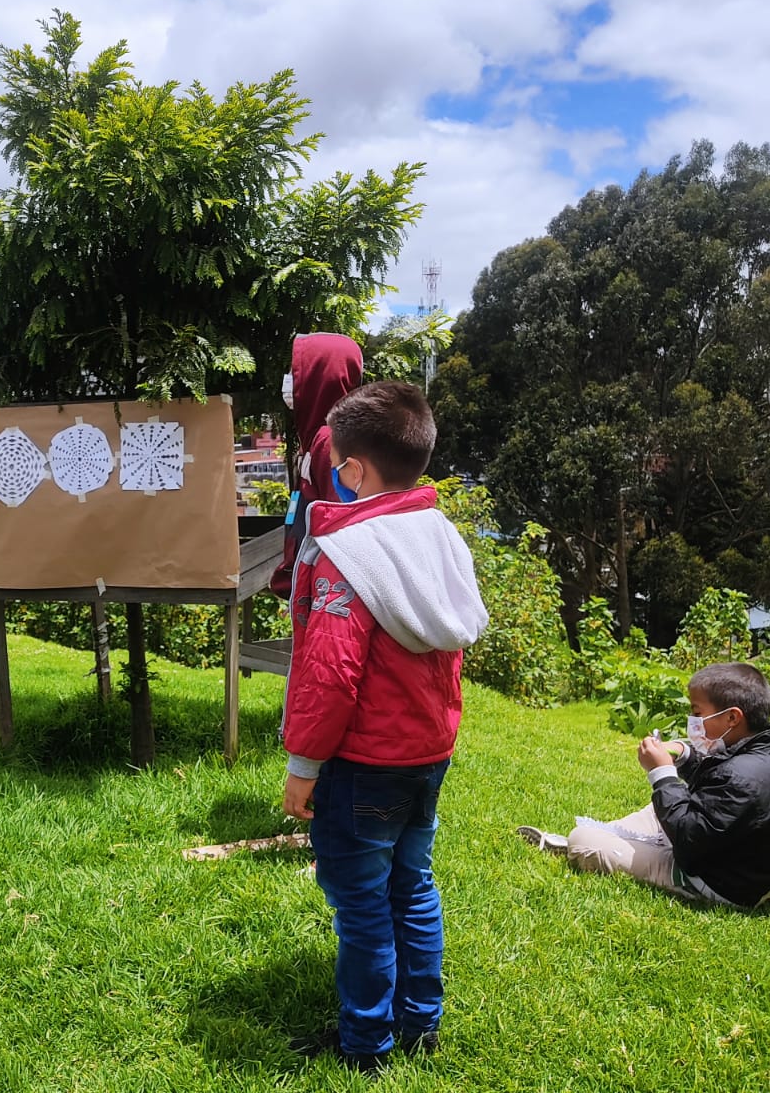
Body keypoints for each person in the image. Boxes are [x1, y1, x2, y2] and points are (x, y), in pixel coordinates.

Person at [281, 381, 489, 1071]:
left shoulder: (351, 554)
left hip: (364, 763)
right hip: (427, 753)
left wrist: (303, 766)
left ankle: (365, 1045)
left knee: (362, 902)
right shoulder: (441, 536)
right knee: (413, 883)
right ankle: (421, 1024)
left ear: (354, 468)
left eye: (338, 466)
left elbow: (329, 675)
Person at [518, 662, 770, 908]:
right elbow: (717, 784)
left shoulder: (740, 777)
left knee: (584, 841)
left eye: (697, 713)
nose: (692, 721)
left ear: (732, 717)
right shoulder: (767, 751)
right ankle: (613, 837)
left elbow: (689, 843)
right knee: (658, 809)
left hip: (727, 884)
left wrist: (662, 773)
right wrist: (685, 755)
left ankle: (592, 842)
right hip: (751, 869)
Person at [270, 333, 365, 600]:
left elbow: (339, 525)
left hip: (325, 593)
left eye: (296, 372)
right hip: (314, 586)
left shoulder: (328, 440)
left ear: (320, 377)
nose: (289, 380)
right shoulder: (317, 437)